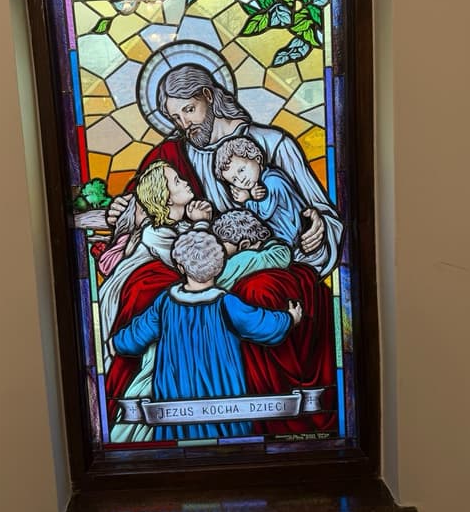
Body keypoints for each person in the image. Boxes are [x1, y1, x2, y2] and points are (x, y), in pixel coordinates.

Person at [108, 63, 343, 276]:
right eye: (175, 118)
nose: (184, 124)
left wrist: (320, 224)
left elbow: (324, 210)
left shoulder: (273, 143)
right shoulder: (176, 155)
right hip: (215, 271)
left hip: (279, 262)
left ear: (208, 96)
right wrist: (122, 209)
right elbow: (149, 203)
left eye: (189, 110)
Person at [111, 231, 302, 440]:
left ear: (181, 267)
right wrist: (289, 318)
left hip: (176, 391)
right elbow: (260, 324)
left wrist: (117, 343)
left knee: (179, 431)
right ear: (219, 267)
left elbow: (139, 333)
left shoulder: (166, 302)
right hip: (222, 389)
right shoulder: (226, 303)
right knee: (226, 432)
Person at [98, 159, 211, 368]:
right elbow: (193, 264)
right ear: (165, 198)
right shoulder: (155, 233)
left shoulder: (180, 226)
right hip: (127, 299)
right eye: (177, 181)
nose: (185, 182)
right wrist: (202, 223)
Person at [214, 135, 306, 253]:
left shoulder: (272, 180)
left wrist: (247, 200)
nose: (241, 179)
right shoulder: (261, 183)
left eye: (241, 170)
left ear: (257, 158)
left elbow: (263, 214)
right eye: (234, 179)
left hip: (292, 236)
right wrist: (252, 198)